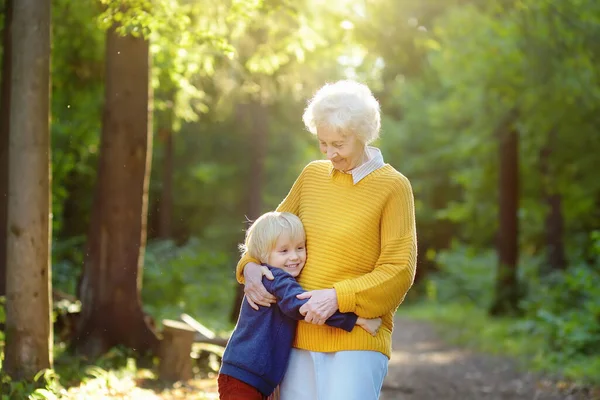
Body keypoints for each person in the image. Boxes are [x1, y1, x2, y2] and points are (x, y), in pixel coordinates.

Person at [236, 80, 418, 400]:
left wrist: (338, 297)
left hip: (358, 338)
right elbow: (268, 235)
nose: (330, 153)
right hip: (297, 337)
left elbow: (399, 269)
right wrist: (249, 267)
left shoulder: (393, 186)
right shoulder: (312, 177)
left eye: (339, 143)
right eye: (323, 143)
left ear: (362, 134)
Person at [218, 211, 382, 400]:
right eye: (284, 251)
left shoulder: (271, 276)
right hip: (245, 375)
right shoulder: (276, 278)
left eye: (300, 248)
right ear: (263, 255)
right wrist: (357, 320)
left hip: (250, 374)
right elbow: (304, 306)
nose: (294, 256)